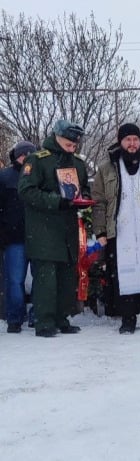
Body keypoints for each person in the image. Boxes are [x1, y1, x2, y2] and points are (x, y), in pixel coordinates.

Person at [91, 123, 140, 334]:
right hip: (121, 231)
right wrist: (100, 231)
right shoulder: (107, 167)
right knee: (124, 276)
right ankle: (128, 319)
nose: (132, 143)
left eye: (135, 139)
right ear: (121, 141)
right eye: (128, 139)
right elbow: (98, 202)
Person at [17, 120, 91, 337]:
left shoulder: (77, 163)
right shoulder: (37, 160)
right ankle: (44, 321)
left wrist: (84, 198)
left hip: (67, 230)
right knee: (46, 279)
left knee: (67, 277)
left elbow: (84, 186)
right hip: (43, 231)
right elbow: (26, 191)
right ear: (57, 137)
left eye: (75, 144)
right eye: (69, 143)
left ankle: (62, 317)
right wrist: (55, 201)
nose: (73, 147)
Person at [0, 141, 36, 333]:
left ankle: (37, 315)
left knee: (41, 278)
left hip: (39, 237)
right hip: (14, 237)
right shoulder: (4, 177)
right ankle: (14, 317)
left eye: (31, 154)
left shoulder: (40, 176)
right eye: (23, 154)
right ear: (16, 156)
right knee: (14, 280)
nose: (26, 158)